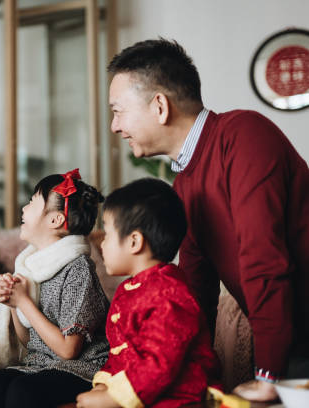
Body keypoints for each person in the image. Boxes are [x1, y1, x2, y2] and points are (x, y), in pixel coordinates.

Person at [105, 38, 309, 401]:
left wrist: (269, 374)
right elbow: (196, 292)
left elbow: (263, 259)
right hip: (295, 338)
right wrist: (189, 372)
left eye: (118, 111)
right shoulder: (184, 183)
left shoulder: (244, 136)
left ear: (159, 106)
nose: (114, 126)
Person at [75, 178, 219, 408]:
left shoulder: (170, 293)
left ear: (134, 242)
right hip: (139, 395)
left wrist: (113, 398)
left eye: (108, 234)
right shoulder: (127, 290)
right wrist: (104, 384)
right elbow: (119, 353)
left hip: (181, 399)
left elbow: (160, 362)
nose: (102, 242)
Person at [0, 170, 110, 408]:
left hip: (82, 369)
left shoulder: (78, 269)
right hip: (43, 365)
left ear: (55, 220)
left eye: (32, 202)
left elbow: (69, 350)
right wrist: (13, 302)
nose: (24, 209)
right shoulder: (32, 265)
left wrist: (24, 303)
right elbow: (30, 341)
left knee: (23, 391)